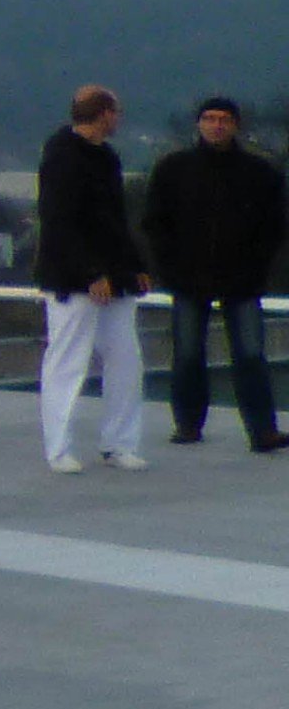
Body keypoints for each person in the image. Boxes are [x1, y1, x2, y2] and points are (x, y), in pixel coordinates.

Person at [142, 98, 285, 453]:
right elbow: (155, 223)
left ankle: (263, 431)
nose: (216, 125)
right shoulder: (173, 169)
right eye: (209, 118)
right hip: (188, 278)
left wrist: (257, 266)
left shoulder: (259, 172)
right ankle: (188, 424)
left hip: (243, 280)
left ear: (235, 125)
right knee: (188, 354)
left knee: (250, 355)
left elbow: (274, 226)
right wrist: (169, 267)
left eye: (224, 119)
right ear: (199, 124)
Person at [35, 85, 149, 473]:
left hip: (115, 274)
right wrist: (88, 273)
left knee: (125, 360)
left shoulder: (106, 157)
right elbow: (60, 220)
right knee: (68, 360)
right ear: (104, 114)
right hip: (74, 277)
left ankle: (119, 442)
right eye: (116, 112)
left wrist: (135, 265)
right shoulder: (62, 155)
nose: (118, 119)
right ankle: (58, 448)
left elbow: (115, 219)